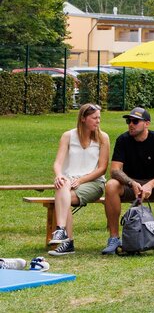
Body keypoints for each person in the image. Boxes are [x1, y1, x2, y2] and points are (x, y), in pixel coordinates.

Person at [101, 107, 154, 255]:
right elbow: (115, 170)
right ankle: (114, 238)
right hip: (131, 185)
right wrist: (131, 183)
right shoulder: (123, 140)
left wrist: (150, 184)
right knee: (111, 185)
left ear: (147, 124)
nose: (131, 124)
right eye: (129, 121)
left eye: (135, 121)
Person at [47, 103, 109, 256]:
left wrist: (81, 180)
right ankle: (62, 231)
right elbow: (58, 163)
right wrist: (59, 175)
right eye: (94, 118)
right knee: (62, 186)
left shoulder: (103, 138)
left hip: (93, 182)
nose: (98, 121)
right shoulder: (68, 136)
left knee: (64, 196)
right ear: (83, 118)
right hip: (69, 181)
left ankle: (66, 240)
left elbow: (102, 169)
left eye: (99, 118)